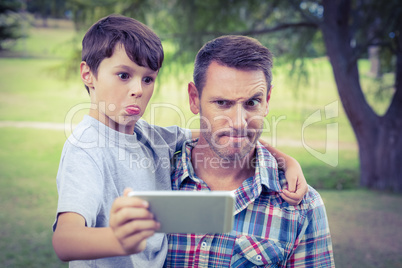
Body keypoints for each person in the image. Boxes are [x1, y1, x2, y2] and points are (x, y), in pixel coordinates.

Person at [52, 15, 308, 267]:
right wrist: (119, 240)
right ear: (88, 74)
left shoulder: (150, 137)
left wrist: (286, 161)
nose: (138, 89)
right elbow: (64, 240)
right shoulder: (85, 150)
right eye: (123, 75)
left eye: (147, 78)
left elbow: (228, 132)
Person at [165, 35, 335, 267]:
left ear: (267, 101)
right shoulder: (157, 179)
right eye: (222, 103)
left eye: (251, 103)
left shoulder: (302, 206)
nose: (238, 122)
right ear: (195, 99)